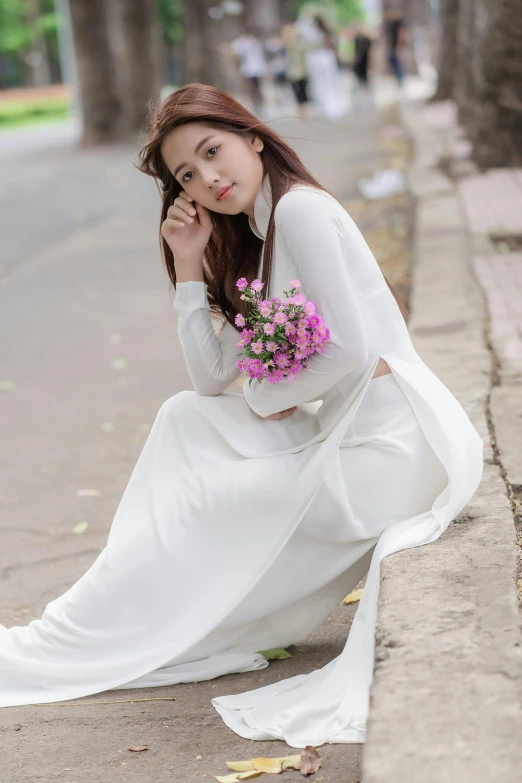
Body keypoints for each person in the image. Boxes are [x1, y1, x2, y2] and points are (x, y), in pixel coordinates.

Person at [0, 84, 483, 747]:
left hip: (390, 450)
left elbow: (350, 350)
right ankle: (99, 621)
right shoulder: (257, 233)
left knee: (204, 508)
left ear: (253, 137)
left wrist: (263, 394)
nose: (209, 178)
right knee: (182, 420)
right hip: (342, 436)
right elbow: (208, 379)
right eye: (188, 175)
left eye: (212, 151)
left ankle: (106, 626)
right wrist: (192, 266)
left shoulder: (303, 212)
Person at [297, 15, 346, 120]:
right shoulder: (317, 33)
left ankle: (329, 108)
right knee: (326, 84)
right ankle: (328, 107)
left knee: (324, 84)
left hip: (319, 60)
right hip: (322, 60)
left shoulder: (311, 33)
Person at [230, 31, 268, 115]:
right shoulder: (242, 42)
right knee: (251, 88)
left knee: (257, 87)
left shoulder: (255, 43)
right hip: (248, 70)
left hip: (257, 69)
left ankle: (260, 105)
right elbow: (234, 50)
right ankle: (254, 105)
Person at [281, 23, 310, 119]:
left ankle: (303, 111)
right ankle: (301, 111)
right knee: (298, 92)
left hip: (299, 71)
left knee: (300, 92)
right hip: (294, 71)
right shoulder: (289, 44)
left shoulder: (297, 44)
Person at [351, 21, 374, 110]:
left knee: (366, 81)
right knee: (359, 81)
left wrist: (371, 63)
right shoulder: (356, 39)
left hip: (365, 62)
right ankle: (361, 100)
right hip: (358, 63)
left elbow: (370, 52)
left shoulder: (367, 39)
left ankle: (368, 99)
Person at [384, 8, 407, 87]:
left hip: (397, 47)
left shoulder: (400, 23)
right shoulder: (391, 23)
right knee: (393, 62)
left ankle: (401, 81)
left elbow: (402, 35)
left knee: (398, 64)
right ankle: (399, 80)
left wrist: (399, 48)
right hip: (392, 47)